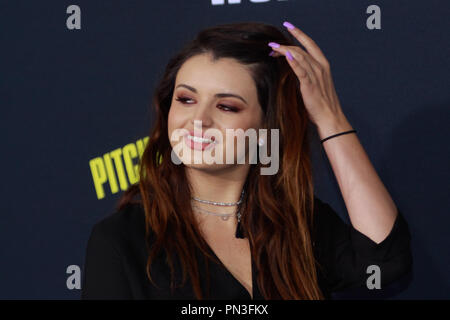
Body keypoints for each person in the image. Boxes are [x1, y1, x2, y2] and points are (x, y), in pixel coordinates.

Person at [81, 21, 412, 300]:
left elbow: (384, 263)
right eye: (185, 99)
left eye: (226, 106)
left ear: (266, 123)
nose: (199, 119)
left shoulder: (298, 223)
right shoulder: (125, 241)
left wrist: (330, 116)